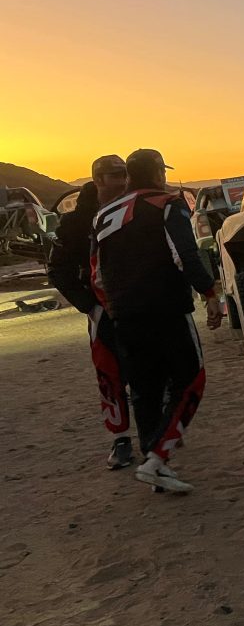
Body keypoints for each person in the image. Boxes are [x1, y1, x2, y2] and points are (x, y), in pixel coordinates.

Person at [91, 148, 224, 492]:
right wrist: (210, 293)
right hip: (166, 309)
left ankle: (155, 465)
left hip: (124, 314)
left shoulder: (104, 214)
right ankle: (157, 458)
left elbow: (98, 272)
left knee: (145, 390)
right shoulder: (166, 203)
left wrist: (114, 306)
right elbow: (185, 254)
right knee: (191, 379)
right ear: (157, 172)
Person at [46, 156, 134, 469]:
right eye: (114, 175)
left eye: (124, 174)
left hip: (142, 304)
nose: (122, 181)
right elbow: (58, 269)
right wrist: (90, 306)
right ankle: (121, 438)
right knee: (110, 372)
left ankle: (158, 434)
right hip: (103, 309)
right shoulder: (75, 222)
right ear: (98, 179)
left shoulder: (137, 209)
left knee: (154, 368)